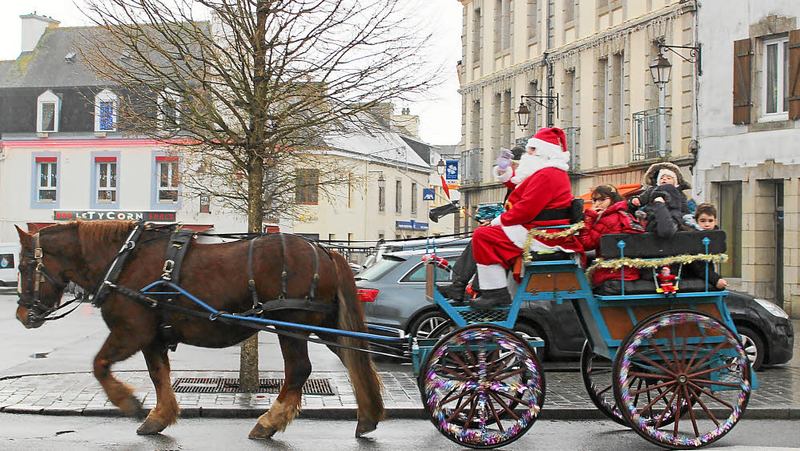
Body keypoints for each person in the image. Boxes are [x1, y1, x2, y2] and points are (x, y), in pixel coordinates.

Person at [469, 127, 584, 308]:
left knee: (483, 236)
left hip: (544, 234)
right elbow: (519, 184)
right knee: (485, 235)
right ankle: (488, 290)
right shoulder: (543, 171)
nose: (527, 154)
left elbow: (526, 210)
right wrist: (503, 169)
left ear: (543, 153)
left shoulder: (548, 174)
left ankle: (495, 293)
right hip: (537, 229)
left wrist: (497, 221)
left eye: (532, 150)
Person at [438, 146, 526, 302]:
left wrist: (494, 223)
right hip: (517, 232)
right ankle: (461, 285)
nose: (505, 170)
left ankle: (471, 287)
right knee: (479, 238)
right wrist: (494, 222)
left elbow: (520, 213)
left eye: (510, 165)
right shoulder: (517, 185)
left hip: (523, 236)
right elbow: (513, 212)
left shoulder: (525, 184)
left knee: (482, 238)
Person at [577, 185, 644, 286]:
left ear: (612, 199)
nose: (597, 204)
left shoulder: (607, 220)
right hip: (629, 272)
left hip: (610, 273)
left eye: (602, 200)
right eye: (594, 201)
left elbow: (586, 244)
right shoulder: (625, 215)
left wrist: (589, 217)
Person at [629, 162, 692, 239]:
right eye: (662, 178)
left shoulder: (679, 195)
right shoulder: (652, 191)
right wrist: (635, 200)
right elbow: (642, 198)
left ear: (675, 182)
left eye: (669, 178)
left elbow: (684, 210)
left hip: (672, 220)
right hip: (652, 217)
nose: (664, 179)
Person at [685, 203, 728, 289]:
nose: (707, 224)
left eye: (710, 221)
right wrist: (716, 279)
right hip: (691, 278)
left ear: (715, 221)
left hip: (705, 276)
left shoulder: (716, 237)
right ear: (696, 221)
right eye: (703, 221)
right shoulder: (692, 238)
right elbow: (698, 267)